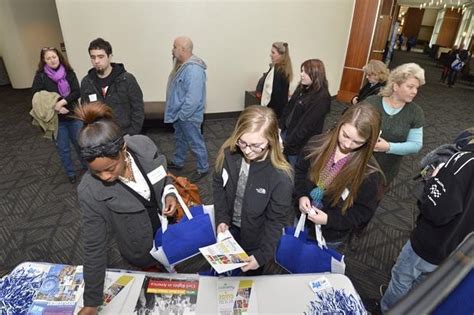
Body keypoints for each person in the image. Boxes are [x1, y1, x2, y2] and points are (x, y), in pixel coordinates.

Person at [75, 102, 178, 315]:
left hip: (173, 234)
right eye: (97, 172)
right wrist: (92, 302)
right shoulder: (89, 190)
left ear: (123, 149)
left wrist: (169, 192)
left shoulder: (143, 145)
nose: (105, 176)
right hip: (142, 252)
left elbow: (163, 173)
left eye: (110, 169)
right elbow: (94, 246)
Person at [380, 132, 474, 312]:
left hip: (431, 242)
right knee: (422, 288)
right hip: (457, 253)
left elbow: (436, 212)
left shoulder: (463, 161)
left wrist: (433, 181)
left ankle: (387, 309)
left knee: (401, 278)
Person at [213, 105, 293, 274]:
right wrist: (221, 218)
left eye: (256, 146)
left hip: (256, 240)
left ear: (270, 141)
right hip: (229, 229)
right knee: (224, 278)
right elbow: (218, 184)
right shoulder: (230, 152)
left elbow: (276, 221)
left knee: (247, 285)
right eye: (243, 142)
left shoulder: (280, 176)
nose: (247, 151)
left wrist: (262, 256)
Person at [295, 103, 384, 248]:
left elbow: (362, 212)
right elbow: (300, 171)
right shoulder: (316, 144)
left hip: (331, 233)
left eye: (357, 142)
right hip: (302, 217)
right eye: (345, 135)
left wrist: (329, 220)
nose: (348, 144)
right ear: (340, 124)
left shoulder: (368, 174)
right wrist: (302, 195)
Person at [31, 47, 86, 184]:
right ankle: (71, 173)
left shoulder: (69, 73)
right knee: (64, 149)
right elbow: (37, 97)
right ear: (44, 61)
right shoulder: (40, 76)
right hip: (56, 120)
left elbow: (76, 92)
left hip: (74, 116)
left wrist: (62, 102)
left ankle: (88, 169)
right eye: (48, 58)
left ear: (59, 57)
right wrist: (56, 107)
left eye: (54, 57)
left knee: (81, 145)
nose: (52, 60)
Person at [366, 63, 425, 187]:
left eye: (417, 88)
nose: (414, 92)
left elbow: (416, 145)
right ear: (395, 86)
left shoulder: (415, 112)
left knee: (371, 200)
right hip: (359, 162)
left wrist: (388, 147)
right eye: (410, 87)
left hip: (385, 170)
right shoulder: (372, 102)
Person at [165, 36, 209, 182]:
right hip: (181, 114)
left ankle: (203, 168)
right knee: (180, 139)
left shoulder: (194, 70)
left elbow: (194, 98)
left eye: (174, 47)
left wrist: (183, 115)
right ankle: (178, 161)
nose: (172, 50)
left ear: (182, 49)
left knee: (195, 142)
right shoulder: (183, 65)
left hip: (188, 116)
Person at [80, 38, 144, 135]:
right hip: (100, 136)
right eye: (93, 57)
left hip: (125, 134)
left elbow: (138, 108)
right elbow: (86, 112)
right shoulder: (86, 82)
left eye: (101, 57)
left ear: (110, 57)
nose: (96, 61)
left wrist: (132, 133)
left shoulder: (126, 79)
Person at [279, 59, 331, 166]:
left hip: (299, 144)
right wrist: (280, 126)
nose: (301, 74)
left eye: (306, 72)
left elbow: (306, 126)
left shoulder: (322, 97)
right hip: (287, 133)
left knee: (293, 169)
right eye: (301, 71)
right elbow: (288, 108)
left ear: (316, 74)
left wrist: (288, 143)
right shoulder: (302, 87)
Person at [258, 42, 293, 119]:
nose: (271, 55)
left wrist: (266, 109)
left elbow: (274, 94)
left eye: (273, 52)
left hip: (273, 112)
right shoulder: (283, 68)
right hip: (279, 110)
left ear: (280, 55)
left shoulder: (278, 70)